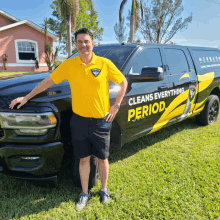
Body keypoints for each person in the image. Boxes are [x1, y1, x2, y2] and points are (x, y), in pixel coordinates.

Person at [9, 28, 128, 210]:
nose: (83, 45)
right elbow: (48, 81)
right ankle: (85, 193)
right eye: (79, 42)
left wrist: (116, 106)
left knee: (103, 158)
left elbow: (123, 82)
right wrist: (26, 98)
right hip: (79, 120)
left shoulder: (104, 63)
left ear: (92, 43)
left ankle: (104, 190)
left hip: (101, 120)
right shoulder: (69, 65)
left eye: (86, 41)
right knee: (83, 159)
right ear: (76, 44)